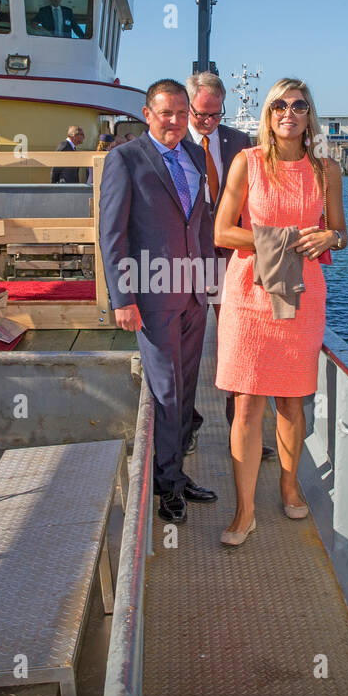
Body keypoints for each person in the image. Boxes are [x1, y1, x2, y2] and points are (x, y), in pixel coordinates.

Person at [213, 78, 347, 546]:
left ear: (309, 115)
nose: (288, 112)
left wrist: (331, 238)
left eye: (299, 105)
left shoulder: (327, 170)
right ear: (268, 115)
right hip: (250, 296)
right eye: (279, 105)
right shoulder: (245, 164)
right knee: (247, 404)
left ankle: (289, 485)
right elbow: (222, 233)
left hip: (303, 296)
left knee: (291, 401)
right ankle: (244, 511)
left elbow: (340, 232)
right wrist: (280, 240)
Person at [98, 79, 218, 524]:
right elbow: (112, 235)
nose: (175, 121)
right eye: (166, 113)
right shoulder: (125, 159)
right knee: (166, 391)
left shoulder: (195, 156)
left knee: (186, 389)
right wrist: (122, 298)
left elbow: (201, 224)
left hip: (192, 295)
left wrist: (209, 278)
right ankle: (166, 486)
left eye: (182, 114)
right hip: (150, 296)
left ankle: (177, 472)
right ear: (147, 114)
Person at [182, 71, 274, 459]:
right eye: (201, 114)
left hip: (233, 259)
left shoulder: (239, 142)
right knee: (185, 348)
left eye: (215, 115)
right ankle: (185, 429)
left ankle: (246, 430)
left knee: (242, 347)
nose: (208, 122)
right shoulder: (170, 142)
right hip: (184, 260)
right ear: (188, 106)